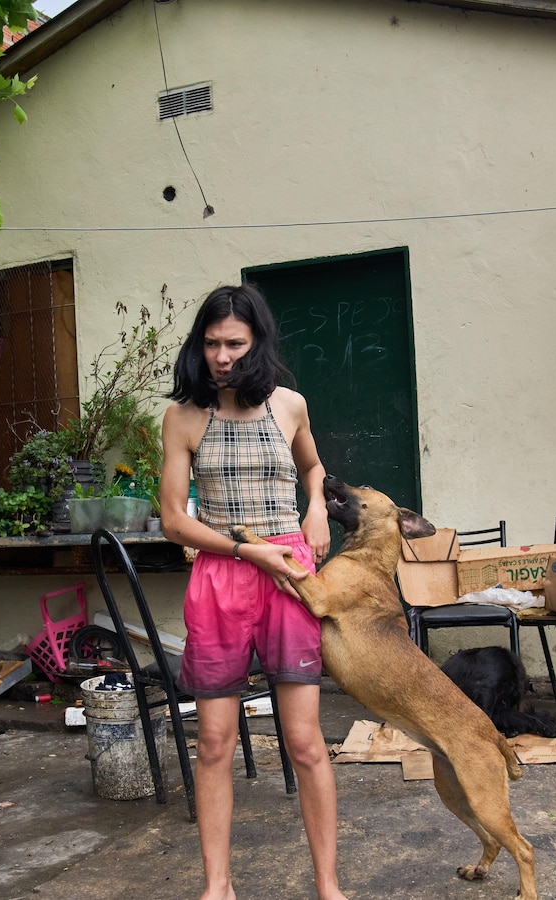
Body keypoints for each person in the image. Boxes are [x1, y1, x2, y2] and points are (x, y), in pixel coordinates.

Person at [158, 284, 347, 900]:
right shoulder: (184, 417)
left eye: (235, 343)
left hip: (290, 575)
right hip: (222, 573)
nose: (222, 356)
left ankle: (327, 884)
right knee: (213, 742)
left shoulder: (289, 406)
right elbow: (173, 520)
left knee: (305, 741)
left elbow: (313, 466)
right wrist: (244, 550)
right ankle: (219, 887)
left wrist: (316, 509)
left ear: (258, 342)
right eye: (211, 343)